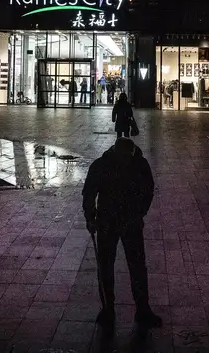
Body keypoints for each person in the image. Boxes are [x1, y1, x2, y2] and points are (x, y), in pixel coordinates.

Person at [82, 137, 162, 328]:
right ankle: (108, 308)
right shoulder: (102, 165)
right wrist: (90, 217)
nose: (125, 161)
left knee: (137, 267)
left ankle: (142, 309)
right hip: (107, 223)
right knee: (106, 266)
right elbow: (89, 193)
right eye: (122, 158)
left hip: (129, 222)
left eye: (127, 157)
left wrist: (140, 211)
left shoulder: (139, 164)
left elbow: (148, 190)